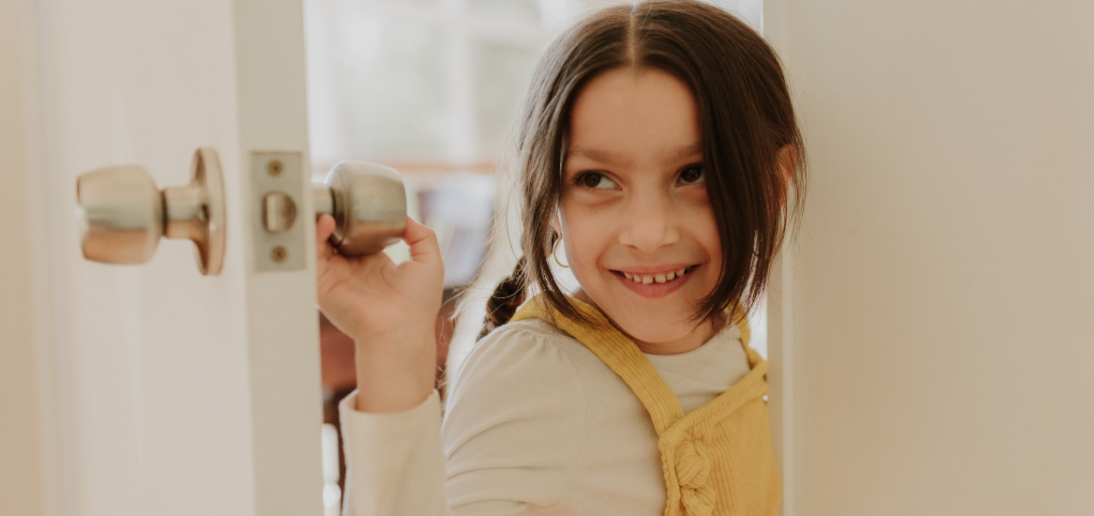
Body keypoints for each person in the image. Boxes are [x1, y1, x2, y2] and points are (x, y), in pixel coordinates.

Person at [314, 1, 807, 514]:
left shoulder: (736, 339)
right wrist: (394, 346)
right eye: (596, 179)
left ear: (772, 183)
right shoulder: (533, 375)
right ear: (546, 196)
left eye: (694, 173)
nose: (648, 233)